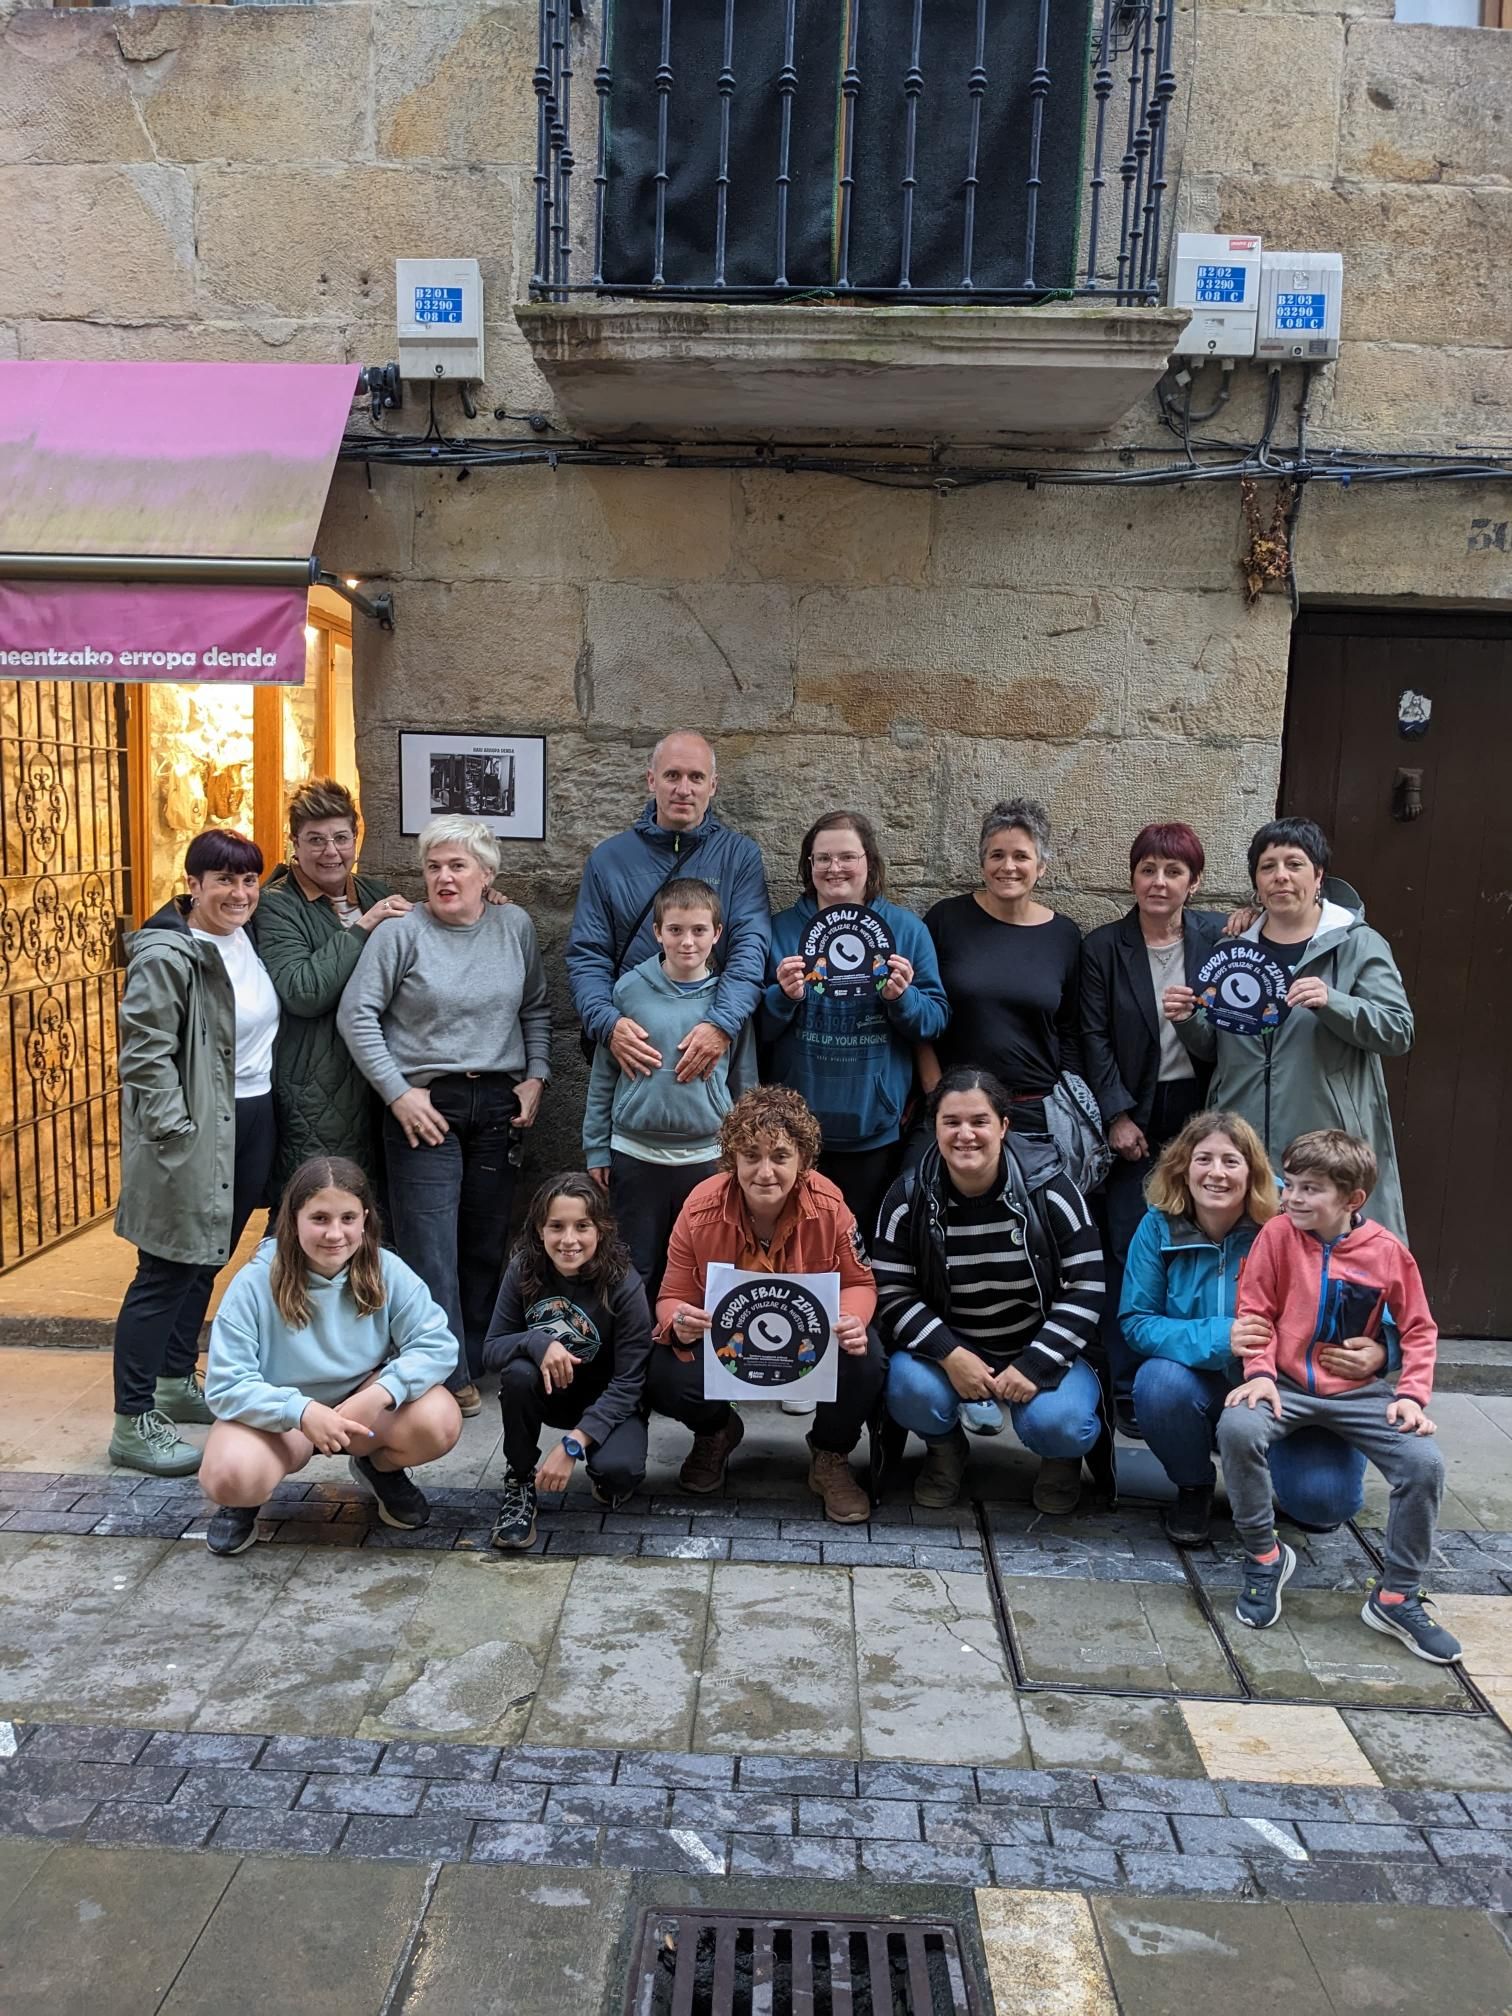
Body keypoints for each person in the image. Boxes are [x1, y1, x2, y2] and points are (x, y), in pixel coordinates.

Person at [1218, 1128, 1460, 1665]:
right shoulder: (1276, 1235)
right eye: (1290, 1185)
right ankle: (1264, 1555)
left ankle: (1395, 1596)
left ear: (1353, 1199)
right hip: (1284, 1385)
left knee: (1423, 1463)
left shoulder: (1388, 1252)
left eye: (1311, 1189)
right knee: (1237, 1426)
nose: (1293, 1198)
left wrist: (1412, 1395)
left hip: (1359, 1394)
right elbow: (1254, 1309)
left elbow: (1419, 1329)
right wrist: (1259, 1372)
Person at [337, 815, 551, 1417]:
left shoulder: (514, 925)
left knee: (485, 1242)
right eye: (433, 866)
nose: (443, 877)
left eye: (458, 865)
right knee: (429, 1247)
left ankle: (475, 1355)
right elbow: (356, 1015)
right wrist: (397, 1093)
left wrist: (536, 1077)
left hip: (498, 1105)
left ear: (487, 874)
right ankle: (443, 1369)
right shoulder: (400, 932)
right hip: (425, 1106)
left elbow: (535, 1007)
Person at [109, 828, 280, 1477]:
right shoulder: (168, 952)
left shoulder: (246, 934)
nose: (239, 893)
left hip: (252, 1117)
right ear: (193, 884)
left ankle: (175, 1381)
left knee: (208, 1258)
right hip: (195, 1130)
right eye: (224, 880)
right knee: (165, 1271)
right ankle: (132, 1419)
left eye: (248, 880)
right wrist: (175, 1133)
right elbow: (145, 1051)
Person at [1121, 1110, 1374, 1547]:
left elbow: (1372, 1279)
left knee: (1323, 1504)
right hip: (1206, 1382)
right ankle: (1193, 1485)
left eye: (1231, 1161)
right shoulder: (1157, 1225)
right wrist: (1222, 1336)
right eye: (1203, 1159)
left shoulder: (1293, 1216)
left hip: (1293, 1387)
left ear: (1252, 1170)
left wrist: (1382, 1347)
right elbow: (1137, 1321)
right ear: (1183, 1167)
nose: (1216, 1173)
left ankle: (1285, 1467)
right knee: (1157, 1383)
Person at [199, 1156, 462, 1557]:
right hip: (282, 1419)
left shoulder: (387, 1269)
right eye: (319, 1218)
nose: (335, 1233)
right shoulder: (253, 1282)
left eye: (348, 1218)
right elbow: (225, 1384)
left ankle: (379, 1469)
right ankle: (244, 1501)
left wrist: (382, 1392)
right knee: (230, 1474)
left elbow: (438, 1344)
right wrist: (300, 1411)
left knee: (439, 1419)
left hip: (360, 1409)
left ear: (365, 1219)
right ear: (293, 1219)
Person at [873, 1068, 1108, 1514]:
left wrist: (1036, 1361)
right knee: (908, 1388)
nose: (965, 1135)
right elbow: (892, 1289)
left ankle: (1060, 1459)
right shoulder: (907, 1196)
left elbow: (1087, 1285)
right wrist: (949, 1353)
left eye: (979, 1121)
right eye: (951, 1122)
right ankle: (945, 1450)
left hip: (1040, 1346)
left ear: (1003, 1126)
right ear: (935, 1127)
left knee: (1062, 1423)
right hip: (951, 1349)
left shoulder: (1051, 1188)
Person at [1164, 816, 1412, 1236]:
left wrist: (1333, 1002)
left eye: (1294, 864)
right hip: (1242, 1144)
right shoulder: (1233, 949)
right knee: (1248, 1259)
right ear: (1257, 883)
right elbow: (1217, 1047)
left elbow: (1397, 1030)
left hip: (1326, 1144)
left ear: (1319, 876)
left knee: (1323, 1259)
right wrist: (1188, 1019)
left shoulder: (1356, 943)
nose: (1281, 876)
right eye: (1268, 866)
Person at [654, 1085, 886, 1523]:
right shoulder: (699, 1208)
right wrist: (679, 1320)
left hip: (807, 1346)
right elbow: (671, 1297)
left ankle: (830, 1454)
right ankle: (716, 1432)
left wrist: (852, 1318)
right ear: (732, 1159)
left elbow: (860, 1282)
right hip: (728, 1346)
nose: (765, 1172)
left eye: (780, 1156)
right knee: (665, 1369)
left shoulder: (830, 1206)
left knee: (866, 1355)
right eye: (751, 1156)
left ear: (802, 1160)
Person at [1080, 822, 1223, 1424]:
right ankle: (1125, 1389)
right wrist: (1115, 1114)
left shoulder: (1219, 936)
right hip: (1134, 1111)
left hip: (1202, 1109)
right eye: (1147, 869)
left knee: (1196, 1243)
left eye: (1173, 871)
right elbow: (1091, 1036)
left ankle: (1192, 1380)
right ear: (1133, 876)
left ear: (1194, 882)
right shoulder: (1104, 947)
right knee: (1127, 1242)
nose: (1158, 882)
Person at [761, 808, 948, 1240]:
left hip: (874, 1130)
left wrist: (902, 999)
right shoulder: (778, 932)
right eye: (822, 858)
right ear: (808, 865)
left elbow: (935, 1021)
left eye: (847, 857)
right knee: (797, 1245)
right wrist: (782, 997)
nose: (835, 868)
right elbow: (754, 1033)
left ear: (869, 862)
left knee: (862, 1248)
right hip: (793, 1131)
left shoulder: (905, 930)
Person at [584, 877, 758, 1304]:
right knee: (633, 1266)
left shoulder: (728, 1002)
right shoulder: (628, 991)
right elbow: (603, 1076)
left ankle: (690, 1347)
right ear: (657, 932)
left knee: (704, 1265)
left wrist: (746, 1152)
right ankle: (633, 1346)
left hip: (706, 1157)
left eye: (699, 930)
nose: (687, 942)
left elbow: (744, 1080)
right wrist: (597, 1149)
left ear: (717, 934)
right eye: (676, 930)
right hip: (635, 1153)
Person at [565, 730, 771, 1089]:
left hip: (715, 1039)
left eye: (696, 777)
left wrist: (722, 1023)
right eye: (672, 775)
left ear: (713, 785)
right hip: (636, 1041)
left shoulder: (739, 857)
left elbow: (750, 948)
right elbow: (588, 954)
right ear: (651, 780)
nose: (683, 789)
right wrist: (609, 1024)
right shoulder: (609, 860)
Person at [251, 778, 409, 1203]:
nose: (331, 851)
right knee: (316, 1201)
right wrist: (363, 927)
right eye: (316, 840)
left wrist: (487, 901)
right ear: (295, 844)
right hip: (316, 1085)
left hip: (378, 1077)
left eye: (341, 838)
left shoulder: (374, 893)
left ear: (356, 839)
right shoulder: (277, 904)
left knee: (372, 1206)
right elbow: (303, 991)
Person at [484, 1173, 654, 1551]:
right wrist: (536, 1341)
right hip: (547, 1392)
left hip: (607, 1399)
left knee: (619, 1474)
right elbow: (491, 1349)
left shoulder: (625, 1284)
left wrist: (573, 1444)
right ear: (539, 1230)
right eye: (556, 1226)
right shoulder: (524, 1268)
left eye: (582, 1226)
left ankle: (600, 1461)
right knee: (517, 1373)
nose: (569, 1239)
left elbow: (630, 1382)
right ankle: (519, 1481)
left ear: (601, 1229)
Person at [919, 799, 1083, 1141]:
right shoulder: (946, 920)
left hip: (1035, 1110)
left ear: (1041, 866)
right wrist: (935, 1093)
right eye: (997, 855)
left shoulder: (1064, 935)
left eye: (1021, 856)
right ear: (983, 863)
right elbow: (919, 1014)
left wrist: (1067, 1102)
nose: (1008, 866)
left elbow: (1070, 1029)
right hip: (956, 1110)